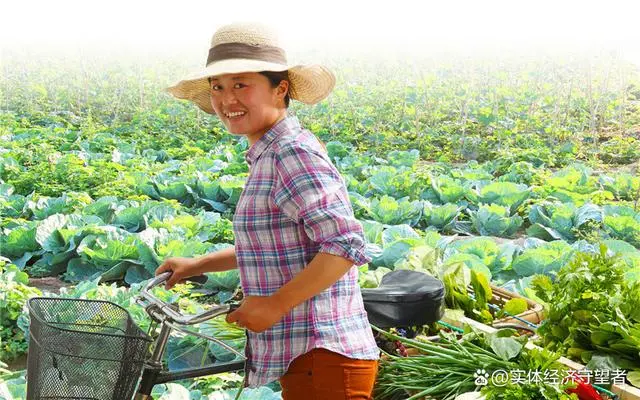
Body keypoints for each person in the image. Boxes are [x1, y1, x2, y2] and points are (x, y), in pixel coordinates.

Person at [156, 22, 379, 399]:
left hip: (323, 351)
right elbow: (278, 247)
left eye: (241, 84)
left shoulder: (291, 153)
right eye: (218, 87)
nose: (227, 100)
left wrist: (275, 304)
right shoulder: (269, 153)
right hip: (306, 357)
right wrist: (200, 263)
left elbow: (345, 244)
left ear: (280, 88)